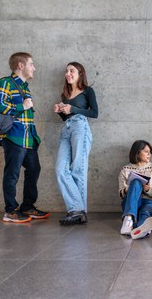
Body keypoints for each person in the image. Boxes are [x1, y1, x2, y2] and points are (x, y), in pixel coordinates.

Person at [0, 52, 49, 223]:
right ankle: (10, 211)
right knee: (12, 174)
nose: (34, 68)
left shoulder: (24, 87)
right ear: (21, 65)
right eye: (31, 64)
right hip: (14, 137)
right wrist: (21, 106)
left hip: (28, 138)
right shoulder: (5, 83)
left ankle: (27, 207)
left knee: (34, 169)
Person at [54, 62, 98, 225]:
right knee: (60, 169)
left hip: (81, 126)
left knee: (78, 169)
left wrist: (73, 109)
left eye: (71, 71)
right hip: (66, 129)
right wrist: (61, 111)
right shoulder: (64, 94)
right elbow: (66, 117)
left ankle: (76, 211)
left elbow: (94, 113)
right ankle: (79, 210)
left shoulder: (88, 91)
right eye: (66, 71)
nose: (68, 73)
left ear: (80, 73)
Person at [118, 140, 152, 239]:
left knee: (145, 212)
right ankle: (128, 219)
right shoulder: (125, 170)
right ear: (137, 153)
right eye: (146, 151)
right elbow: (121, 194)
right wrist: (134, 187)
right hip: (130, 202)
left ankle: (140, 229)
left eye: (150, 152)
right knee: (136, 182)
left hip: (150, 201)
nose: (149, 154)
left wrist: (148, 189)